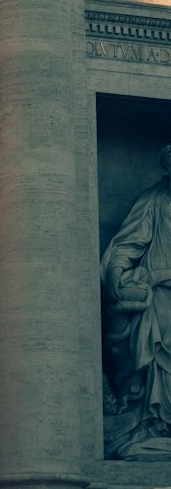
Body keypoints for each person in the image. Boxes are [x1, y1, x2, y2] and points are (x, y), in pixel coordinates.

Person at [101, 143, 171, 456]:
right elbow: (127, 245)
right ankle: (155, 426)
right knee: (159, 360)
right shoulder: (154, 201)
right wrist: (117, 273)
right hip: (161, 294)